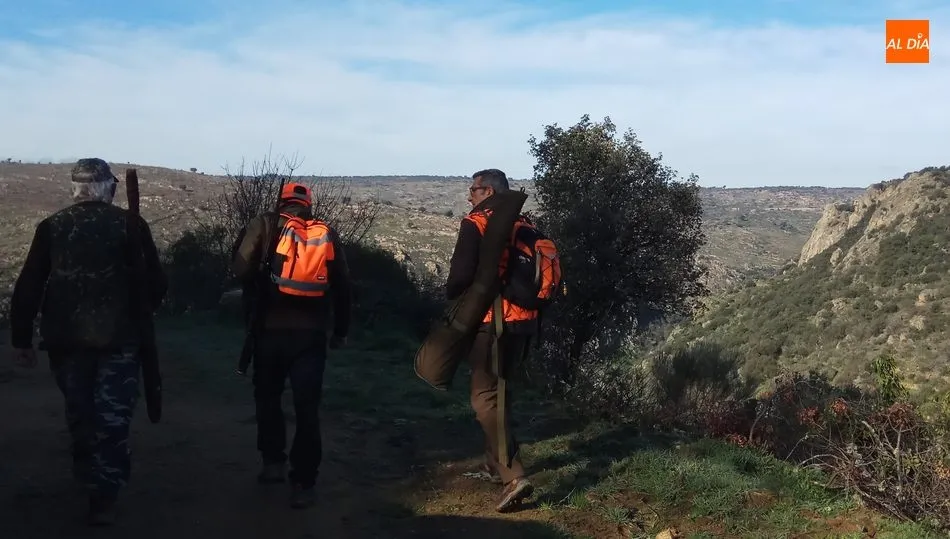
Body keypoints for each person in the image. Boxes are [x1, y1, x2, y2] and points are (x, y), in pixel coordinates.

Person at [8, 157, 167, 526]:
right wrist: (142, 309)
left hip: (66, 341)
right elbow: (157, 282)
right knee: (112, 417)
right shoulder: (130, 224)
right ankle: (103, 495)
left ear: (75, 188)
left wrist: (21, 339)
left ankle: (86, 472)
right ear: (108, 188)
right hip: (119, 340)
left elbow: (29, 284)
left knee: (80, 411)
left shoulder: (52, 226)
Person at [231, 181, 352, 509]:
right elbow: (343, 286)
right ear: (308, 205)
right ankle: (303, 482)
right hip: (310, 336)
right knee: (307, 407)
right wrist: (340, 331)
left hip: (269, 331)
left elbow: (240, 269)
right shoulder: (325, 233)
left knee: (267, 397)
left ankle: (273, 464)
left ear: (281, 201)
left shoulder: (264, 224)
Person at [444, 168, 539, 512]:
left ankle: (514, 476)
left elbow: (459, 277)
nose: (469, 195)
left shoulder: (478, 223)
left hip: (492, 322)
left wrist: (454, 297)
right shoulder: (526, 226)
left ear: (488, 192)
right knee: (502, 391)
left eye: (473, 189)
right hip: (525, 323)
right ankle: (493, 461)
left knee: (484, 397)